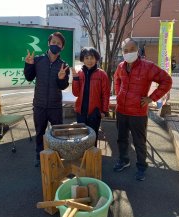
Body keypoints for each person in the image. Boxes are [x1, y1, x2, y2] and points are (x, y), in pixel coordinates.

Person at [113, 38, 172, 181]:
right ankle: (124, 160)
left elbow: (167, 81)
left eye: (131, 49)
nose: (128, 53)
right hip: (121, 110)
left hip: (138, 112)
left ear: (137, 50)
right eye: (125, 50)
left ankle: (141, 167)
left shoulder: (148, 67)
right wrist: (118, 94)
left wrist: (151, 98)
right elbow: (117, 80)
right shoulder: (121, 66)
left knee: (139, 141)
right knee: (121, 139)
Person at [24, 32, 70, 167]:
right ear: (49, 44)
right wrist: (28, 65)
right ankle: (39, 156)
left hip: (55, 105)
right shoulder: (38, 60)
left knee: (58, 133)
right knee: (39, 133)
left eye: (59, 43)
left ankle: (57, 156)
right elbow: (29, 77)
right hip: (39, 105)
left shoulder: (63, 65)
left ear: (62, 47)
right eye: (53, 42)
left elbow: (63, 86)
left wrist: (61, 78)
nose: (55, 45)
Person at [71, 47, 110, 145]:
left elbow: (106, 94)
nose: (89, 61)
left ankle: (93, 159)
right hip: (81, 111)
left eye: (92, 58)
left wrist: (104, 111)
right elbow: (76, 93)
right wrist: (75, 79)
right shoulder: (79, 73)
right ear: (82, 59)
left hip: (95, 112)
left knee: (93, 137)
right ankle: (83, 157)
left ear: (96, 58)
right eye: (86, 58)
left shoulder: (102, 74)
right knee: (81, 137)